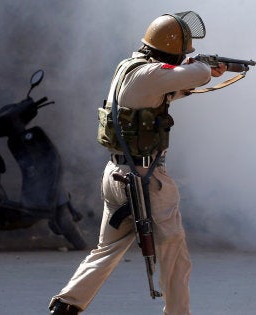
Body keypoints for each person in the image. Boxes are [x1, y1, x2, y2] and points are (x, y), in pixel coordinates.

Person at [49, 11, 226, 315]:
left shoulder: (130, 68)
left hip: (117, 174)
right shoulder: (152, 74)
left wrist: (199, 71)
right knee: (174, 253)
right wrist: (205, 66)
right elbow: (196, 75)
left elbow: (165, 91)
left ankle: (68, 303)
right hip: (146, 177)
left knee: (107, 249)